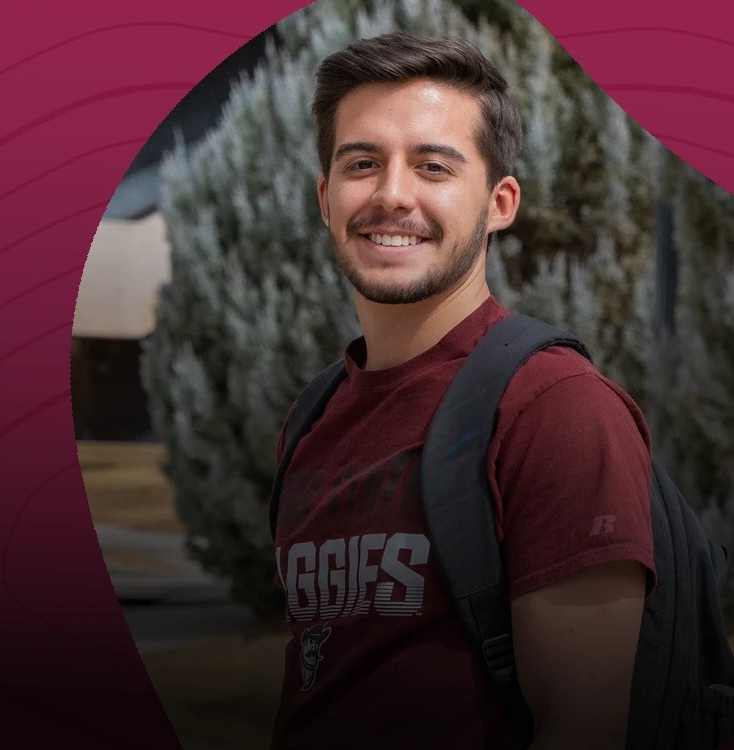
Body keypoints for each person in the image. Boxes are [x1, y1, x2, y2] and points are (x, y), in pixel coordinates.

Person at [269, 32, 655, 750]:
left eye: (433, 166)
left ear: (500, 202)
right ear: (326, 198)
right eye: (362, 163)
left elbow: (585, 728)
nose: (391, 194)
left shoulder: (555, 407)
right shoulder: (315, 413)